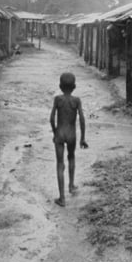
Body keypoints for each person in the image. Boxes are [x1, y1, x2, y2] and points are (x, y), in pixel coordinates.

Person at [49, 72, 88, 207]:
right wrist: (82, 138)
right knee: (71, 157)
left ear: (60, 86)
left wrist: (55, 133)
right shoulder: (76, 101)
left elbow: (51, 118)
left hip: (60, 134)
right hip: (71, 135)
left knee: (60, 164)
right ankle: (71, 185)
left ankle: (62, 198)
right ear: (74, 87)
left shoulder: (57, 99)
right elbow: (82, 120)